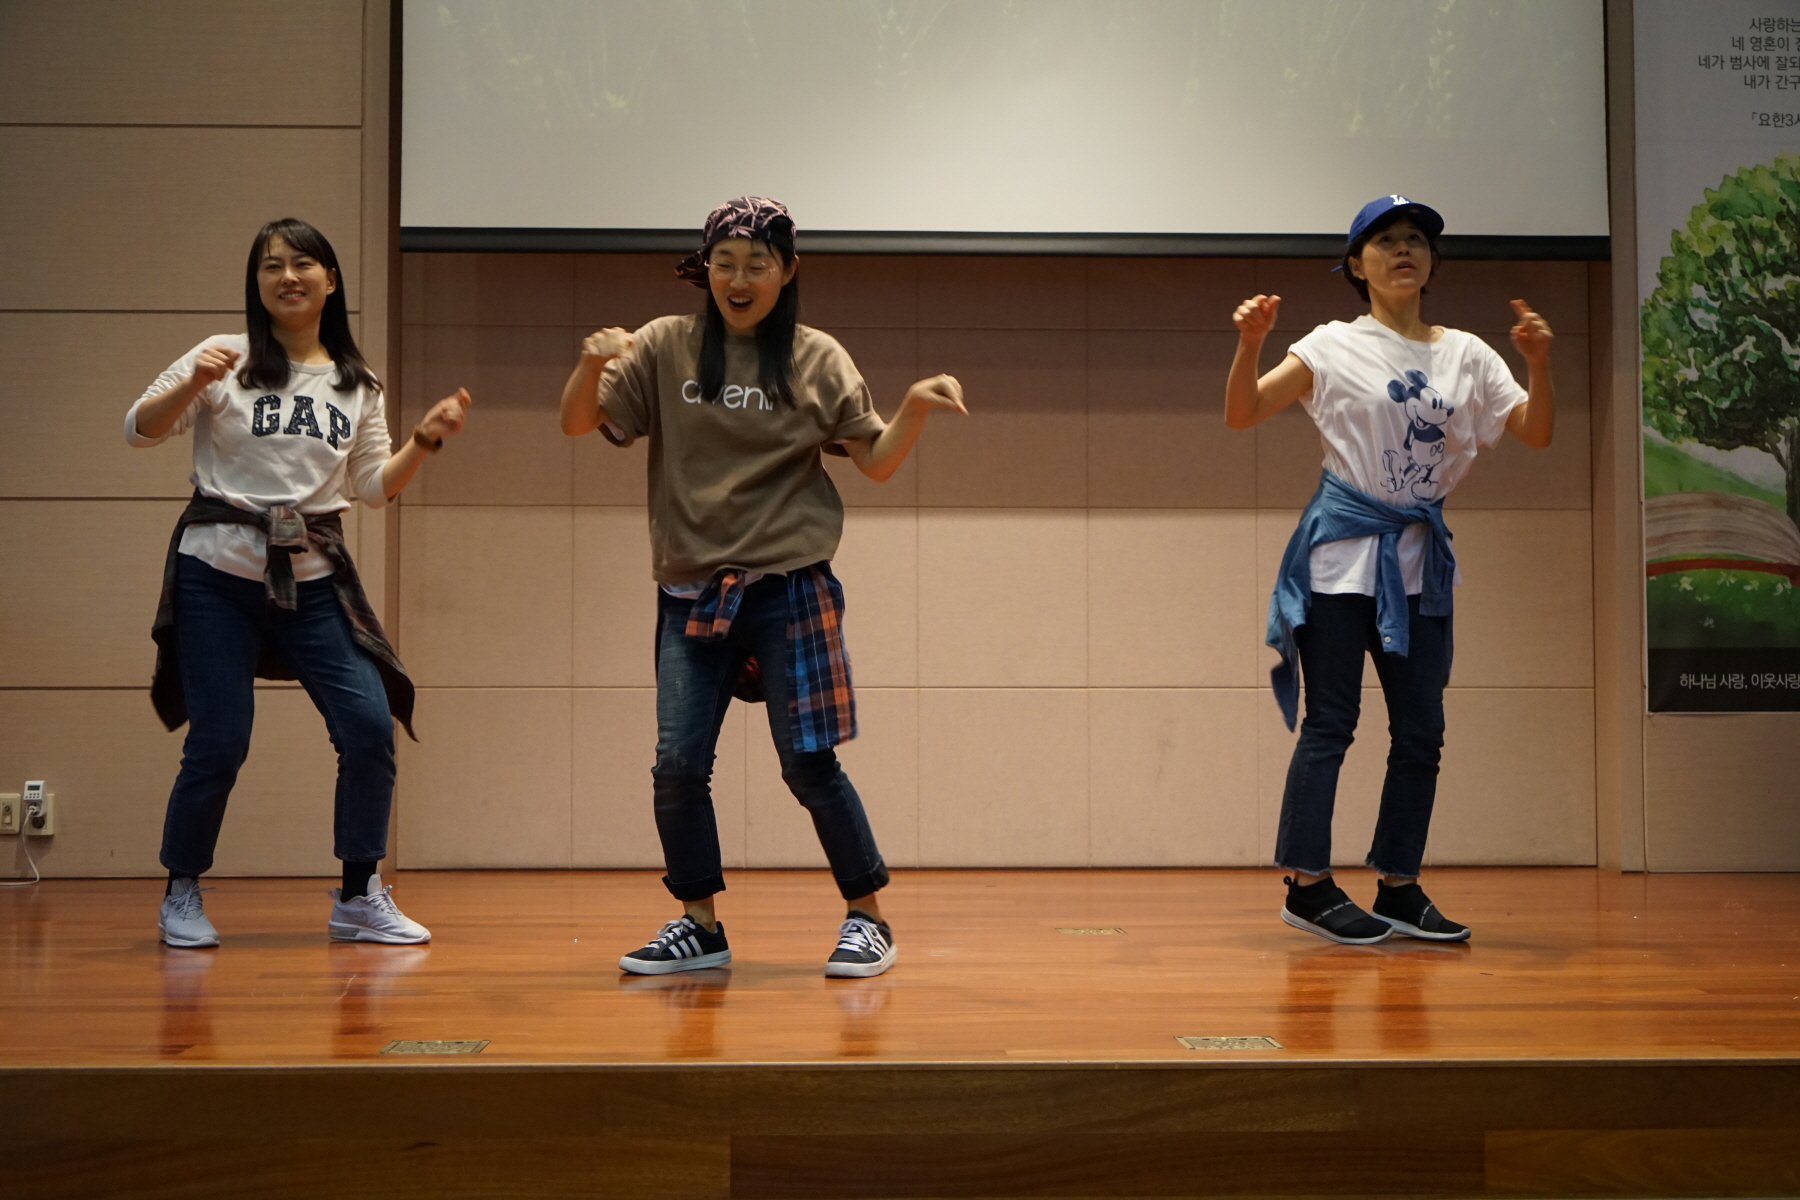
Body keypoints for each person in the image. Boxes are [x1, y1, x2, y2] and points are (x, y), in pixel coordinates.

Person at [559, 197, 965, 978]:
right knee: (677, 768)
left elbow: (875, 461)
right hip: (690, 594)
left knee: (808, 765)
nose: (739, 280)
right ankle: (700, 925)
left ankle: (868, 918)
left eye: (756, 264)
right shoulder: (666, 344)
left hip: (786, 590)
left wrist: (913, 406)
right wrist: (589, 364)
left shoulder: (816, 357)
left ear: (788, 271)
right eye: (725, 263)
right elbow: (580, 422)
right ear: (705, 269)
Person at [127, 217, 471, 949]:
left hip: (314, 583)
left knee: (369, 727)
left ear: (330, 280)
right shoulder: (224, 356)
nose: (288, 276)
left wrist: (423, 440)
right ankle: (181, 890)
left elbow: (372, 487)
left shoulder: (355, 382)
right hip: (216, 576)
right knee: (220, 740)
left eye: (303, 263)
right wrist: (192, 381)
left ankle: (358, 895)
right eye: (271, 265)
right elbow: (139, 428)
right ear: (256, 283)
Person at [1224, 195, 1555, 945]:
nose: (1403, 249)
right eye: (1385, 241)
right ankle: (1308, 885)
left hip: (1419, 566)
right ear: (1355, 265)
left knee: (1422, 732)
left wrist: (1539, 363)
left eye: (1415, 240)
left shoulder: (1468, 353)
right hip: (1340, 563)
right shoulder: (1331, 344)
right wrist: (1250, 345)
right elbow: (1243, 413)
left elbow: (1534, 431)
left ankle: (1399, 886)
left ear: (1432, 262)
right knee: (1331, 723)